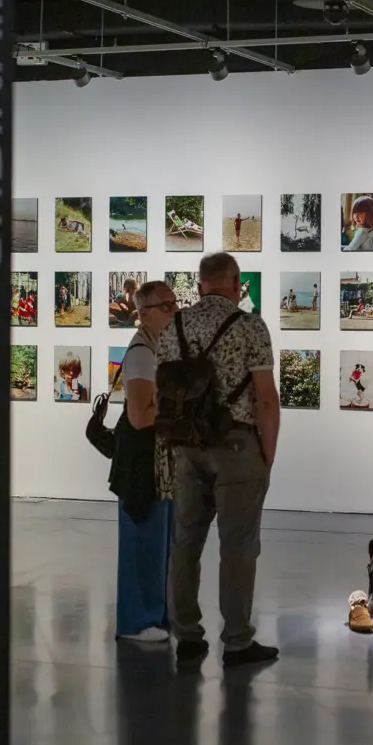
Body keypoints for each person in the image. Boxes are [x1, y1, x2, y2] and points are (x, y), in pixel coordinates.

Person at [157, 253, 280, 667]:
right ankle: (237, 641)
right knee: (239, 545)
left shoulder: (175, 326)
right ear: (235, 282)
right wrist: (268, 453)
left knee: (185, 540)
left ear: (199, 284)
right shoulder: (249, 326)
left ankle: (187, 635)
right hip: (237, 446)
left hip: (187, 446)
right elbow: (265, 397)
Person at [114, 280, 179, 644]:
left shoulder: (157, 349)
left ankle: (153, 615)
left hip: (158, 464)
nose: (174, 312)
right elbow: (140, 416)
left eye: (174, 304)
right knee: (143, 539)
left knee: (158, 542)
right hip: (142, 464)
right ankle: (137, 621)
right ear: (144, 314)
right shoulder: (141, 352)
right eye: (166, 307)